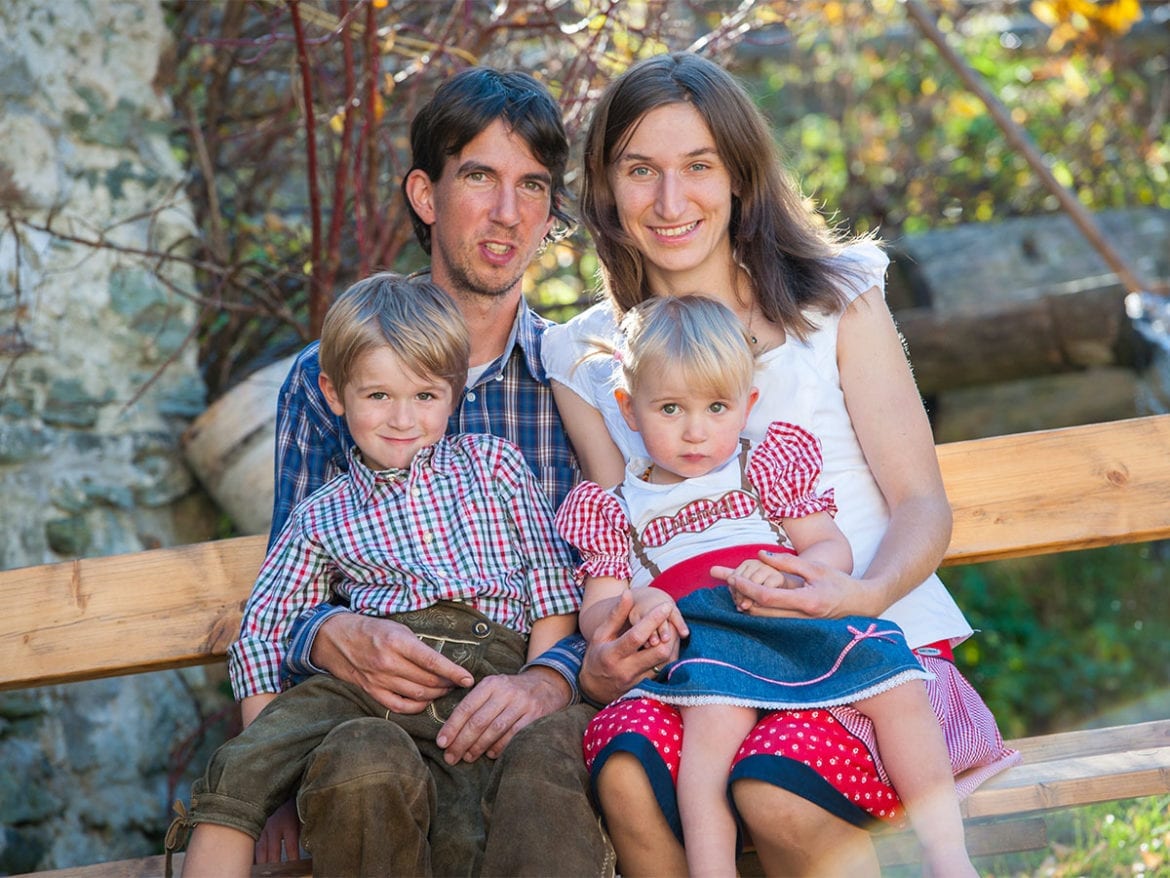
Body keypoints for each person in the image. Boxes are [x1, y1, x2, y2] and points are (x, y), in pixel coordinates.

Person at [542, 51, 1020, 876]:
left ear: (739, 176)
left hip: (871, 644)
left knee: (774, 790)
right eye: (639, 170)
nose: (669, 201)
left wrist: (859, 591)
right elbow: (621, 546)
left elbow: (921, 505)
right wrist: (613, 645)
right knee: (624, 763)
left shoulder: (833, 301)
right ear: (605, 187)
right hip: (711, 662)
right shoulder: (584, 360)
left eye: (698, 166)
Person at [258, 66, 671, 876]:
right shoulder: (329, 380)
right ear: (425, 193)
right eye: (479, 177)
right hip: (389, 724)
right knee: (363, 775)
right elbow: (287, 598)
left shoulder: (578, 377)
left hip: (544, 733)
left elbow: (618, 566)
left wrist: (550, 681)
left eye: (533, 187)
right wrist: (334, 633)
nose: (507, 213)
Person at [557, 294, 977, 877]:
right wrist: (637, 602)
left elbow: (832, 548)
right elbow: (596, 611)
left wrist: (790, 571)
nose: (696, 431)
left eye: (717, 407)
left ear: (747, 404)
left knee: (897, 685)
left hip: (789, 619)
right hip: (708, 645)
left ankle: (948, 856)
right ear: (629, 410)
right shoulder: (616, 508)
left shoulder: (764, 466)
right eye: (671, 409)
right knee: (708, 749)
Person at [179, 274, 580, 878]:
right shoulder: (323, 513)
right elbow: (264, 631)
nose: (402, 419)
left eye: (424, 396)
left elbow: (550, 588)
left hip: (483, 671)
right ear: (335, 394)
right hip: (370, 681)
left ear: (455, 391)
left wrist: (533, 685)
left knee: (469, 827)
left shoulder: (495, 467)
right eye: (377, 396)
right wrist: (278, 779)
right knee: (236, 771)